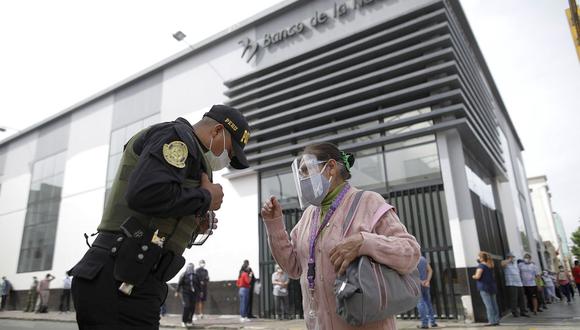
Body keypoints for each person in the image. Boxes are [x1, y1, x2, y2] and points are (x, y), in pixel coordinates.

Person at [68, 105, 250, 329]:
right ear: (217, 131)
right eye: (230, 151)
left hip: (136, 277)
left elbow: (160, 216)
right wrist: (204, 197)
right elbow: (144, 193)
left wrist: (196, 220)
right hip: (118, 277)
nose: (228, 159)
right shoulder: (175, 137)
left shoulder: (195, 157)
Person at [260, 142, 421, 329]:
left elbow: (411, 253)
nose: (302, 178)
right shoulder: (308, 215)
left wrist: (364, 241)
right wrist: (274, 224)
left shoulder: (368, 201)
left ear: (330, 168)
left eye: (305, 170)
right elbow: (293, 268)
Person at [472, 251, 500, 326]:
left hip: (484, 287)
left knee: (488, 305)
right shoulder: (490, 265)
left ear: (481, 258)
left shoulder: (481, 266)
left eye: (478, 256)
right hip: (492, 286)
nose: (477, 258)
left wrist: (473, 276)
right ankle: (496, 320)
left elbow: (478, 276)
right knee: (494, 304)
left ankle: (491, 321)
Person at [500, 252, 528, 317]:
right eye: (512, 257)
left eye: (513, 257)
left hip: (519, 283)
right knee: (514, 299)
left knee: (522, 298)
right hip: (511, 283)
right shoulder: (506, 263)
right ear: (508, 257)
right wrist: (509, 260)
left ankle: (523, 311)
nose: (513, 258)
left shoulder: (515, 264)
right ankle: (514, 312)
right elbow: (502, 264)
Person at [416, 255, 437, 329]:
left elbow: (410, 274)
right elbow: (430, 270)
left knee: (420, 303)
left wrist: (420, 281)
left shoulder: (412, 260)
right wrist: (427, 281)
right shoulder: (423, 259)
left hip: (417, 285)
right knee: (428, 302)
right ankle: (433, 322)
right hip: (426, 284)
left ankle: (424, 323)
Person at [176, 263, 200, 327]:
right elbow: (180, 283)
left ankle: (190, 321)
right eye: (189, 267)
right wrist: (177, 291)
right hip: (186, 293)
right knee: (187, 306)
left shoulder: (196, 275)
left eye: (192, 267)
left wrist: (200, 292)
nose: (190, 268)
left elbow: (198, 284)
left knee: (192, 307)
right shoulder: (184, 275)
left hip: (194, 293)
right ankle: (184, 321)